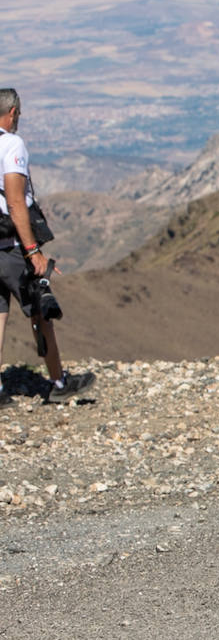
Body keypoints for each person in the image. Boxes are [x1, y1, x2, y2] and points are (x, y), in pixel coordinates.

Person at [0, 89, 95, 405]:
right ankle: (59, 383)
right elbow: (15, 202)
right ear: (12, 113)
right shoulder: (11, 144)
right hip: (12, 247)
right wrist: (32, 251)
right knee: (40, 311)